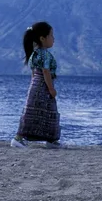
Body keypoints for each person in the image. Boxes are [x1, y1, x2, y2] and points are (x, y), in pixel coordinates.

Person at [11, 21, 61, 149]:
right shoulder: (44, 54)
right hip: (43, 86)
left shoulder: (35, 53)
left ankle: (50, 140)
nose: (53, 39)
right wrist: (51, 88)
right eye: (51, 36)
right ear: (42, 38)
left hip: (35, 85)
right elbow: (45, 71)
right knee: (46, 112)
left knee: (37, 111)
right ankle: (19, 138)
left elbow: (34, 73)